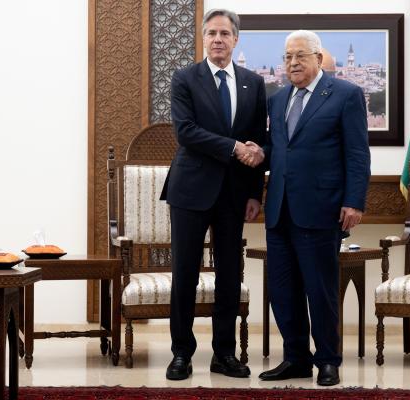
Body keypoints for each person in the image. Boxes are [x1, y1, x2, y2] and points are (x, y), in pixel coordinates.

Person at [252, 30, 371, 386]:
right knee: (283, 290)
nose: (292, 63)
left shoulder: (345, 94)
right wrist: (258, 153)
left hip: (321, 209)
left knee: (320, 290)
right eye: (287, 57)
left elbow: (356, 153)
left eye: (300, 56)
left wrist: (354, 200)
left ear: (318, 59)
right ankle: (296, 359)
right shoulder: (278, 98)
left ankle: (328, 361)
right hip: (280, 210)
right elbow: (280, 150)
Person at [160, 8, 266, 380]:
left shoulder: (254, 83)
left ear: (236, 39)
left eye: (224, 33)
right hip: (189, 190)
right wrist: (236, 147)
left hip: (234, 194)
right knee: (184, 272)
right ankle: (181, 354)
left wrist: (256, 193)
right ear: (203, 38)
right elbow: (186, 132)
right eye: (211, 33)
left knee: (228, 277)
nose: (218, 39)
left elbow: (259, 140)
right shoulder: (185, 78)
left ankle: (224, 353)